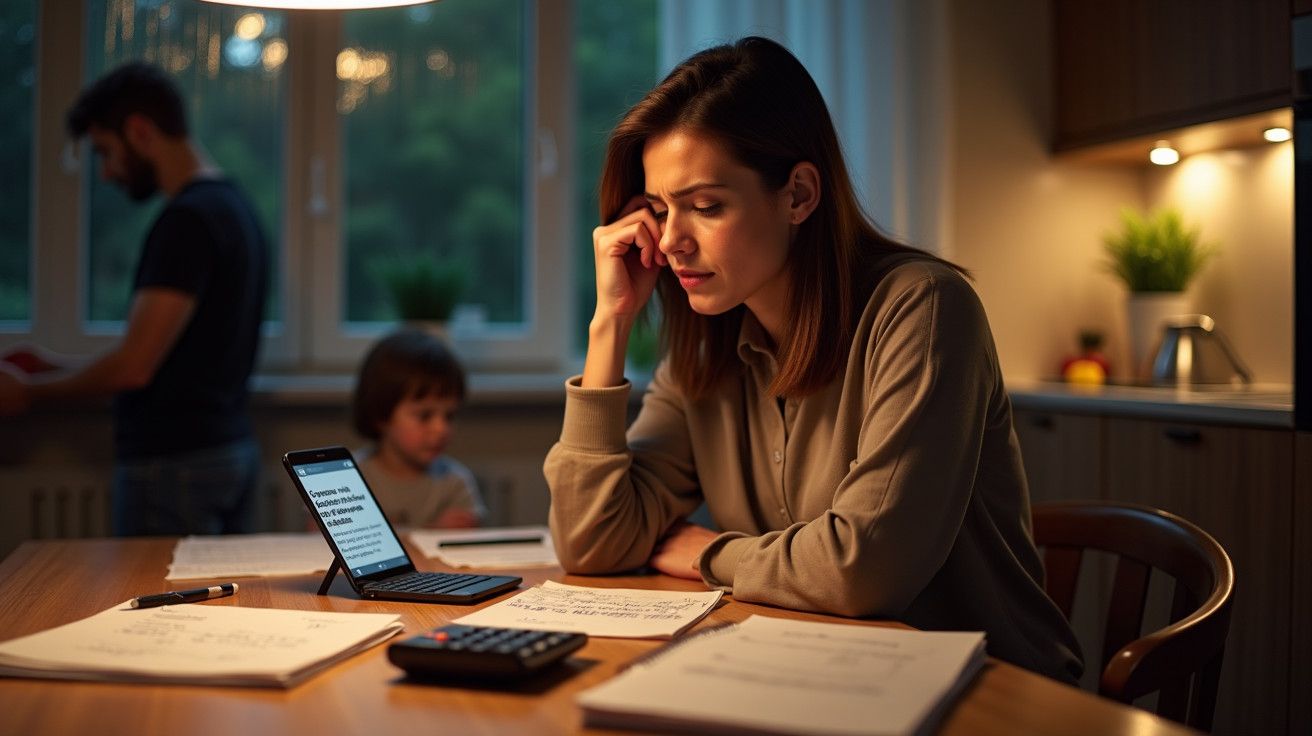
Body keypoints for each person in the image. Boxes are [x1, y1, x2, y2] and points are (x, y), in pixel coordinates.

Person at [544, 36, 1083, 683]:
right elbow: (592, 543)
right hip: (826, 676)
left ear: (798, 195)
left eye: (706, 206)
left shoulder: (924, 308)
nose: (671, 241)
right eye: (659, 210)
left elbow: (864, 570)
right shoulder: (706, 350)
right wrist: (610, 323)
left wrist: (713, 554)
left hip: (995, 692)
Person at [0, 62, 268, 536]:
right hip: (229, 450)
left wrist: (28, 392)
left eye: (106, 152)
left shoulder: (186, 220)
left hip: (174, 464)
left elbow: (135, 366)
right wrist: (54, 363)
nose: (106, 174)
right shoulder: (236, 207)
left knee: (162, 611)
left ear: (140, 131)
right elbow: (181, 353)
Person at [350, 328, 485, 528]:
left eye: (449, 416)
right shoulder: (349, 481)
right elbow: (319, 542)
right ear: (381, 415)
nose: (441, 428)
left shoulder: (455, 482)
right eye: (424, 416)